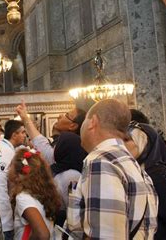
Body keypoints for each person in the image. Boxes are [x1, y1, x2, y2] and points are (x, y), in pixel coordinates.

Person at [67, 99, 158, 239]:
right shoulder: (134, 165)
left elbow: (105, 236)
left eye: (85, 119)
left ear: (93, 122)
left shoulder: (101, 161)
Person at [125, 120, 166, 239]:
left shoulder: (160, 175)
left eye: (127, 139)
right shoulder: (132, 171)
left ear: (144, 143)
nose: (120, 145)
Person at [8, 148, 62, 240]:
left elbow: (43, 235)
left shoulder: (23, 198)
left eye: (10, 165)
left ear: (18, 172)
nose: (8, 168)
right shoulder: (42, 193)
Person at [16, 100, 86, 165]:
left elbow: (47, 154)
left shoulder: (72, 147)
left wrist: (25, 118)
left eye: (66, 115)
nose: (60, 116)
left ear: (73, 126)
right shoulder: (62, 142)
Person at [0, 119, 26, 240]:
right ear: (14, 135)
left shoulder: (2, 147)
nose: (25, 136)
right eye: (22, 132)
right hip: (3, 215)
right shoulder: (9, 152)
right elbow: (12, 185)